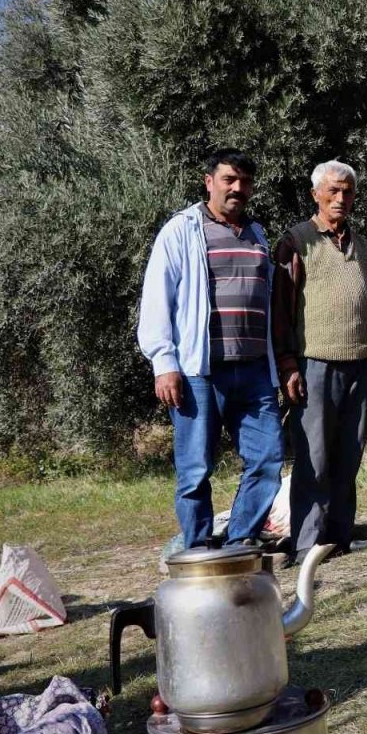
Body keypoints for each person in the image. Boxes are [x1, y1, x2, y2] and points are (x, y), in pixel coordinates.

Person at [137, 148, 283, 549]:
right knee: (195, 468)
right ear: (209, 182)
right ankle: (198, 548)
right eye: (229, 180)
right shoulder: (182, 229)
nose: (238, 189)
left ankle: (239, 542)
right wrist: (163, 362)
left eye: (245, 182)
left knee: (267, 459)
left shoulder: (257, 233)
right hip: (200, 370)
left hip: (254, 370)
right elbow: (156, 298)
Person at [272, 159, 367, 567]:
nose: (340, 198)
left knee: (348, 455)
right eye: (332, 191)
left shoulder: (363, 244)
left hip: (359, 362)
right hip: (314, 364)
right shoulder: (297, 242)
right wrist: (288, 364)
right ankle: (306, 544)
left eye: (347, 191)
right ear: (316, 194)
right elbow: (281, 310)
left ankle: (339, 535)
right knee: (313, 457)